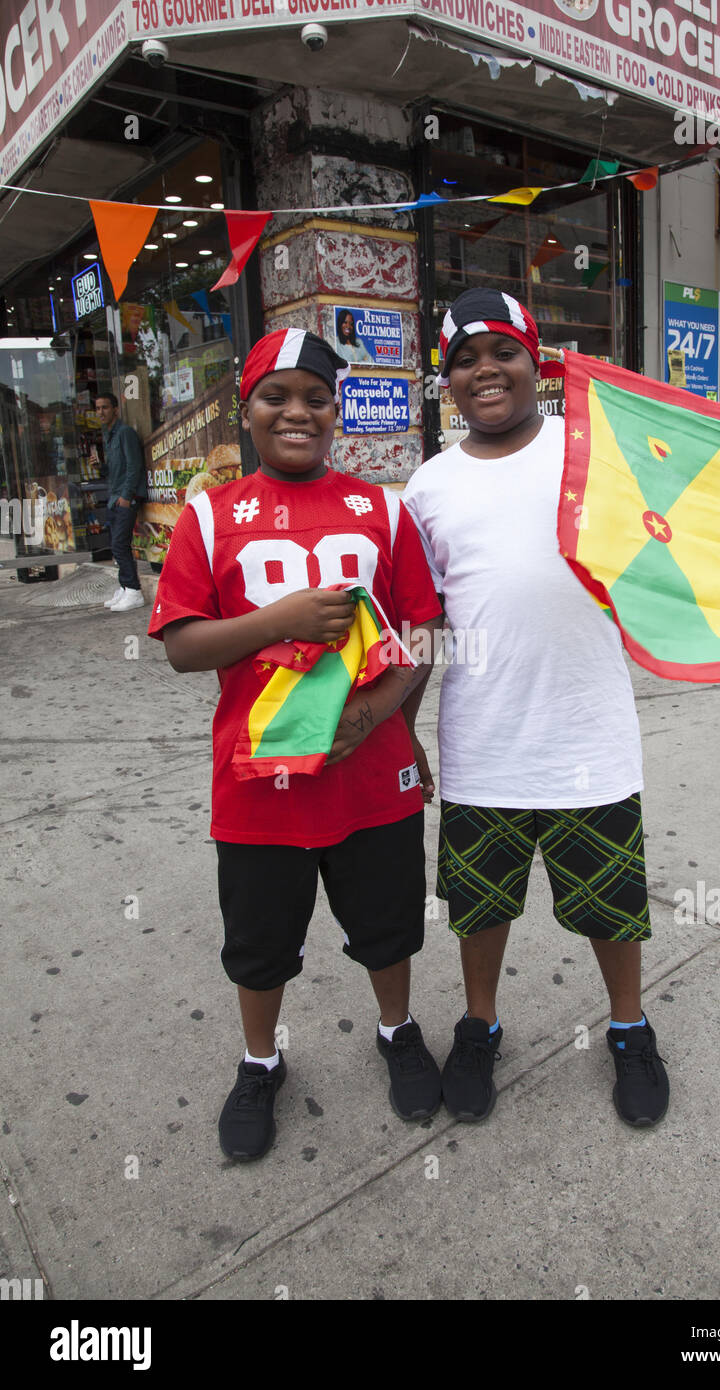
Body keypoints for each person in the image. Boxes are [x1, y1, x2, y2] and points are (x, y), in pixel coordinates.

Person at [401, 288, 720, 1129]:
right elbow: (425, 621)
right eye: (463, 359)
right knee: (478, 908)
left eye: (503, 352)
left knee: (612, 906)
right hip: (482, 741)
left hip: (588, 738)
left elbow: (705, 516)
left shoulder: (593, 448)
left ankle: (629, 1028)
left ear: (539, 363)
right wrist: (402, 726)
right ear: (446, 380)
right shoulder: (428, 485)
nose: (484, 371)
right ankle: (480, 1024)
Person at [147, 328, 444, 1161]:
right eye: (276, 396)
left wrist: (378, 717)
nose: (297, 411)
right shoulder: (208, 516)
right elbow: (180, 648)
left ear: (337, 410)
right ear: (245, 412)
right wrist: (277, 621)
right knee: (260, 939)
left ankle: (397, 1030)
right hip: (257, 781)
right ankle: (260, 1060)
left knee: (388, 922)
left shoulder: (382, 507)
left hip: (370, 770)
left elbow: (422, 633)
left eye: (316, 396)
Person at [95, 392, 147, 612]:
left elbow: (134, 466)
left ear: (115, 409)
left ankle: (134, 591)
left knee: (119, 544)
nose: (101, 412)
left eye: (105, 407)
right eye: (97, 408)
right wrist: (101, 467)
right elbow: (117, 469)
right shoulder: (109, 435)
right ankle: (125, 587)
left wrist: (126, 496)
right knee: (117, 547)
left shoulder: (125, 433)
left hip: (126, 498)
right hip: (114, 498)